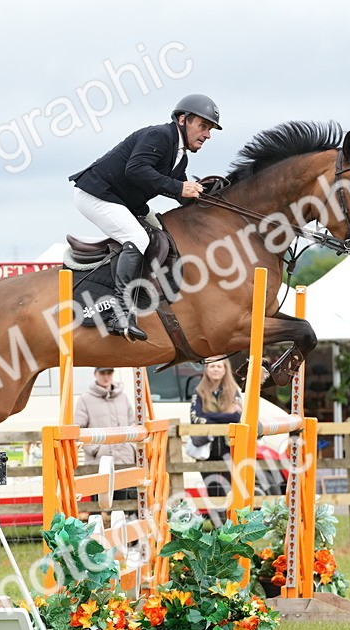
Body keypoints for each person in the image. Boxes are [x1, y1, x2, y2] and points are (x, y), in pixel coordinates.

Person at [69, 93, 223, 341]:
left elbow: (179, 191)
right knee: (138, 238)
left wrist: (206, 194)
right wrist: (179, 187)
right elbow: (136, 170)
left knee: (165, 233)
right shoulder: (160, 136)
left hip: (124, 201)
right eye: (203, 126)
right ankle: (119, 314)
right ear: (183, 119)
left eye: (210, 129)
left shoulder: (180, 155)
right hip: (96, 194)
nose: (207, 135)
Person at [73, 367, 138, 503]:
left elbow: (133, 424)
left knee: (125, 504)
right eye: (102, 373)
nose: (106, 376)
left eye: (109, 373)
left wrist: (131, 447)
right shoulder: (85, 399)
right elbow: (77, 430)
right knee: (99, 506)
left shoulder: (123, 397)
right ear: (95, 374)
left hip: (124, 460)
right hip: (99, 462)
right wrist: (95, 449)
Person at [188, 360, 242, 497]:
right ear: (206, 369)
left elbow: (236, 417)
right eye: (212, 366)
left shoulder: (234, 391)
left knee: (230, 489)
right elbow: (195, 418)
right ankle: (215, 519)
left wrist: (208, 416)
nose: (216, 369)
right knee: (212, 489)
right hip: (206, 449)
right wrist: (225, 415)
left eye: (219, 366)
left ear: (225, 370)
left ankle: (229, 518)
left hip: (229, 447)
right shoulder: (198, 392)